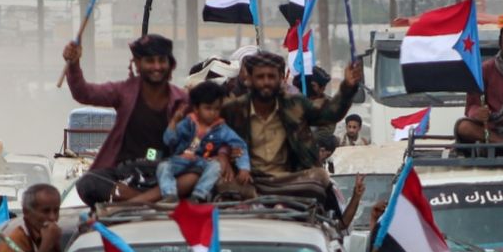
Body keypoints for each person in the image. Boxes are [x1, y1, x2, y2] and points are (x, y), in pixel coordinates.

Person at [64, 34, 188, 207]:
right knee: (89, 182)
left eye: (161, 61)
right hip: (128, 174)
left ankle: (136, 201)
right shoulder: (123, 92)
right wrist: (73, 64)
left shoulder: (183, 100)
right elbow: (83, 93)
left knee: (196, 174)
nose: (157, 67)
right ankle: (151, 200)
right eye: (150, 61)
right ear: (137, 63)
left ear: (170, 64)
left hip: (167, 173)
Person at [222, 50, 363, 182]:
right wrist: (222, 157)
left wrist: (348, 87)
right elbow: (215, 139)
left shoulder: (295, 105)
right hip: (248, 181)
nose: (266, 82)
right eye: (260, 77)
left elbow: (330, 114)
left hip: (292, 181)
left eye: (271, 76)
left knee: (321, 179)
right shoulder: (234, 110)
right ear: (250, 79)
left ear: (281, 78)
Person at [158, 81, 252, 203]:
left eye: (217, 109)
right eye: (208, 108)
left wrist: (244, 168)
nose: (213, 113)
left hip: (204, 162)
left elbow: (239, 145)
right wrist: (174, 123)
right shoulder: (188, 123)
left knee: (216, 166)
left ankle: (198, 195)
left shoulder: (221, 128)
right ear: (196, 108)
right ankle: (170, 195)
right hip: (182, 159)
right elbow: (169, 140)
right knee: (163, 166)